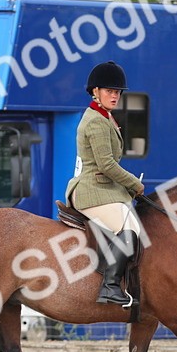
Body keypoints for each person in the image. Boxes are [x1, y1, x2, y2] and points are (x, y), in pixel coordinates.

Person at [66, 61, 145, 306]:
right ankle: (110, 286)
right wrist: (134, 184)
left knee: (136, 225)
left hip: (102, 188)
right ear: (95, 91)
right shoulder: (95, 122)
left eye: (118, 92)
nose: (115, 95)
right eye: (109, 91)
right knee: (128, 229)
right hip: (91, 190)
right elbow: (106, 165)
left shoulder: (105, 117)